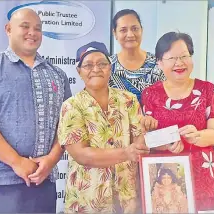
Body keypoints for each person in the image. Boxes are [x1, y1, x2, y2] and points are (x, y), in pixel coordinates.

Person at [0, 8, 71, 213]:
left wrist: (51, 160)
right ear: (8, 29)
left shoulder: (58, 75)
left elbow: (67, 125)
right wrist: (17, 162)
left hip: (43, 182)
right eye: (25, 26)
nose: (32, 32)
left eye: (38, 28)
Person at [57, 41, 150, 213]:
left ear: (110, 68)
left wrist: (159, 139)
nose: (96, 69)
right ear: (79, 71)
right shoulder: (71, 106)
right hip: (88, 200)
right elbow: (81, 155)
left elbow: (140, 139)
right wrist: (126, 153)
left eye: (102, 64)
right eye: (88, 65)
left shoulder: (129, 100)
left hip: (127, 199)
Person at [141, 32, 214, 211]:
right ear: (159, 62)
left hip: (202, 175)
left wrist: (197, 136)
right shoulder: (150, 94)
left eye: (184, 56)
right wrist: (165, 144)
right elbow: (145, 139)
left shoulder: (207, 90)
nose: (179, 63)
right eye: (171, 58)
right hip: (165, 181)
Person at [110, 9, 164, 135]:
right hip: (118, 140)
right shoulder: (106, 67)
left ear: (142, 30)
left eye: (135, 28)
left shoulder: (159, 64)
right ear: (115, 34)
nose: (130, 34)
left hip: (157, 139)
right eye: (123, 30)